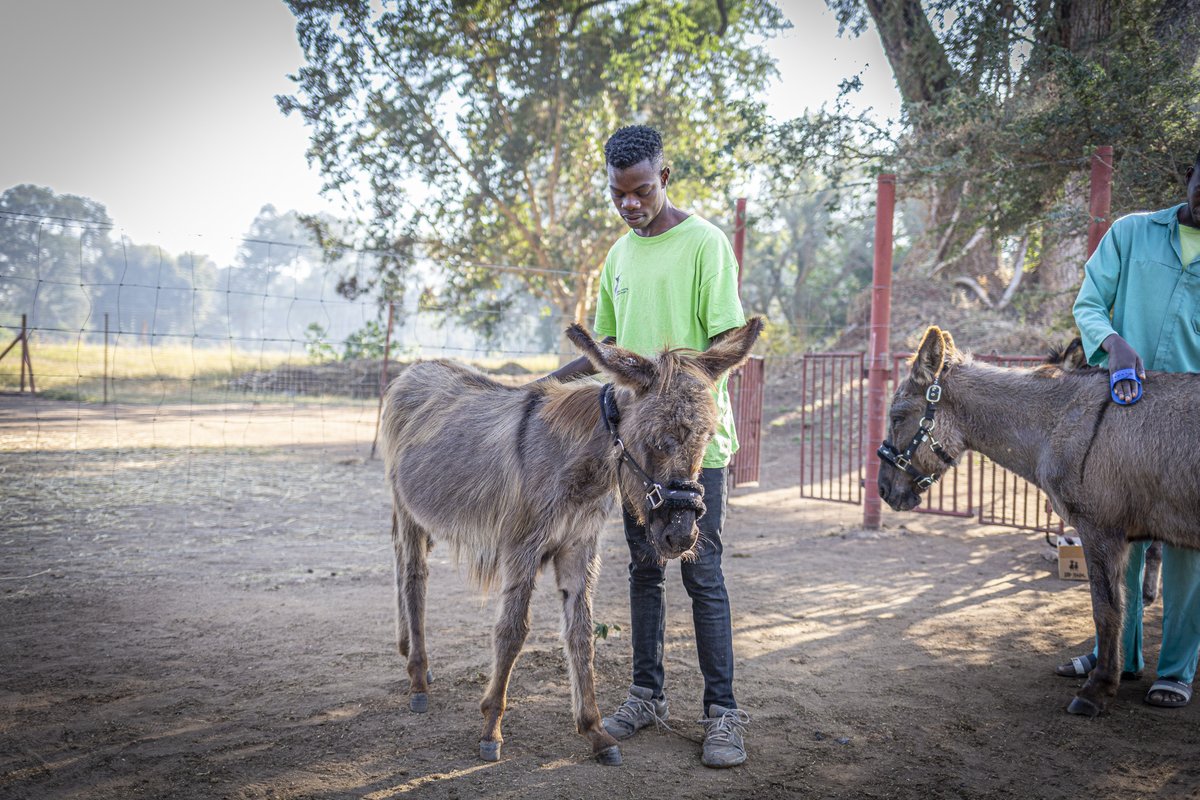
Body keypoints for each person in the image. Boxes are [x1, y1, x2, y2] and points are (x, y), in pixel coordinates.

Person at [544, 125, 750, 766]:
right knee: (641, 570)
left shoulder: (705, 244)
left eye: (639, 191)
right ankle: (646, 693)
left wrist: (666, 393)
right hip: (633, 454)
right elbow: (604, 352)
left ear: (664, 178)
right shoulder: (618, 258)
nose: (629, 204)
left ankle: (722, 714)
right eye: (617, 194)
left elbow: (722, 345)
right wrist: (541, 387)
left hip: (689, 451)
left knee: (702, 574)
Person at [1067, 148, 1200, 708]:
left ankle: (1177, 669)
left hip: (1188, 427)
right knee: (1112, 536)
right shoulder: (1131, 233)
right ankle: (1115, 655)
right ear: (1189, 176)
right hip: (1120, 411)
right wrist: (1113, 342)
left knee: (1188, 546)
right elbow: (1089, 302)